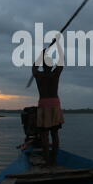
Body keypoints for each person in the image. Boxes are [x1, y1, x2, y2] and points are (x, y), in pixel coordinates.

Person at [32, 34, 64, 166]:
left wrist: (42, 54)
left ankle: (47, 160)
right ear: (51, 66)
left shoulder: (38, 75)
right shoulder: (55, 74)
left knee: (44, 135)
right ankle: (54, 160)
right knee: (54, 134)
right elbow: (61, 61)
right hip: (55, 104)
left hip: (44, 104)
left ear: (43, 66)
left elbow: (34, 66)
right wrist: (57, 45)